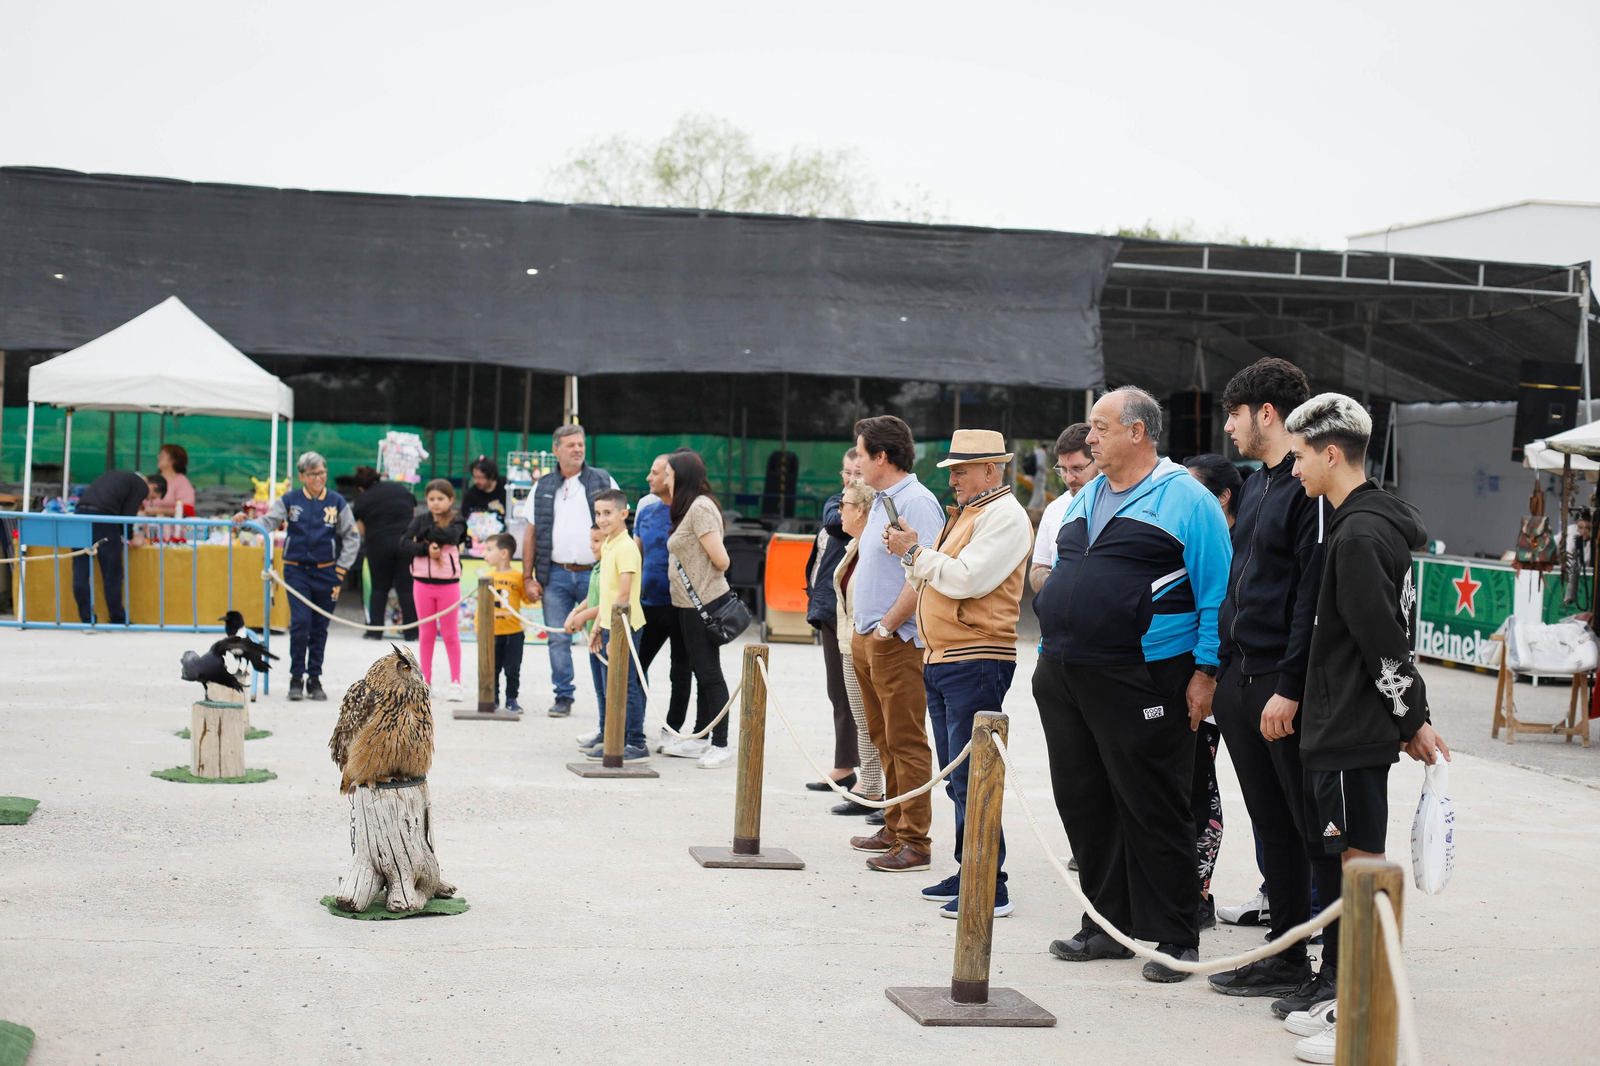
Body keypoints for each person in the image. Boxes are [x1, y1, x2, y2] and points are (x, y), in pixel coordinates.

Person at [1271, 393, 1450, 1059]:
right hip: (1344, 723)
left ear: (1331, 453)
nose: (1293, 471)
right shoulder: (1361, 525)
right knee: (1350, 867)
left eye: (1299, 458)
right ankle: (1344, 999)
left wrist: (1414, 717)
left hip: (1351, 726)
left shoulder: (1360, 536)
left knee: (1360, 869)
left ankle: (1360, 1013)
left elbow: (1383, 643)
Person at [1031, 386, 1231, 982]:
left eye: (1099, 428)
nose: (1088, 438)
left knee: (1153, 802)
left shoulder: (1187, 500)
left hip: (1143, 675)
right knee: (1083, 801)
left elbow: (1217, 594)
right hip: (1065, 672)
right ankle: (1106, 927)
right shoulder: (1086, 495)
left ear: (1137, 433)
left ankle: (1175, 935)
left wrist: (1206, 673)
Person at [1192, 358, 1336, 1008]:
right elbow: (1237, 579)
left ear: (1266, 414)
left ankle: (1330, 968)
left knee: (1315, 830)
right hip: (1242, 678)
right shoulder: (1253, 486)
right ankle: (1283, 955)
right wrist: (1220, 667)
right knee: (1270, 825)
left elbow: (1313, 594)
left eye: (1234, 413)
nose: (1228, 426)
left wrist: (1291, 684)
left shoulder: (1310, 489)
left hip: (1283, 684)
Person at [884, 429, 1033, 917]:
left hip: (975, 656)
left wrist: (912, 552)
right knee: (959, 777)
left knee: (972, 775)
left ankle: (990, 883)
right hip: (950, 657)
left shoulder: (1004, 516)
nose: (954, 480)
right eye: (953, 471)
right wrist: (914, 555)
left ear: (993, 470)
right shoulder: (975, 513)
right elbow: (936, 575)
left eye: (962, 470)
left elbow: (967, 579)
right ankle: (972, 868)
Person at [847, 415, 944, 873]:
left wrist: (887, 627)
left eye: (862, 455)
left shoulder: (918, 502)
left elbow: (925, 575)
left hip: (896, 640)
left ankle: (915, 841)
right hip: (871, 638)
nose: (857, 464)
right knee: (883, 736)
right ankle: (894, 822)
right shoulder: (885, 498)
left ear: (882, 456)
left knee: (905, 740)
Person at [234, 452, 359, 701]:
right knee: (301, 624)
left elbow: (352, 536)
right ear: (302, 476)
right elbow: (269, 521)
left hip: (327, 571)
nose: (318, 478)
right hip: (297, 570)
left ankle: (314, 678)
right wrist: (246, 523)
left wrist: (341, 568)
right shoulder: (290, 499)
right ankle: (296, 677)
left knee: (320, 627)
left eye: (322, 472)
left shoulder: (336, 502)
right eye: (313, 474)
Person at [1182, 452, 1245, 928]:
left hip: (1221, 678)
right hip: (1185, 674)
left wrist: (1208, 673)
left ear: (1222, 497)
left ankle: (1198, 890)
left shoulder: (1235, 542)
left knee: (1201, 785)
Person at [518, 424, 618, 717]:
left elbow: (620, 527)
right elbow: (531, 533)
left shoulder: (603, 479)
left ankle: (609, 698)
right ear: (556, 450)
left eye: (581, 444)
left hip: (596, 573)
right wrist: (527, 577)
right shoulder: (543, 485)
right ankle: (563, 696)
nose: (577, 449)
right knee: (559, 637)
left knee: (604, 635)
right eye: (571, 445)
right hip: (556, 574)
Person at [661, 449, 736, 769]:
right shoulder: (689, 508)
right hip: (687, 605)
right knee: (699, 672)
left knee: (709, 674)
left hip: (703, 603)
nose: (664, 479)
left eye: (668, 474)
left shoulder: (701, 508)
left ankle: (720, 743)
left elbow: (722, 560)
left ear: (682, 476)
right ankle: (702, 736)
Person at [804, 446, 864, 795]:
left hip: (850, 611)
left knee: (854, 694)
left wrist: (852, 501)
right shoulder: (835, 502)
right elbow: (833, 521)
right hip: (828, 608)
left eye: (859, 472)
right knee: (838, 691)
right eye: (847, 473)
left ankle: (859, 772)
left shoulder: (862, 508)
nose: (852, 479)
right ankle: (845, 766)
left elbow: (837, 524)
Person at [574, 490, 649, 762]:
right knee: (607, 686)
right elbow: (605, 593)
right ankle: (611, 735)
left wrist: (613, 630)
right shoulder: (607, 544)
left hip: (625, 626)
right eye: (598, 513)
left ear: (623, 514)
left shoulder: (627, 547)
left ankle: (636, 742)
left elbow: (623, 595)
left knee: (626, 685)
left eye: (607, 513)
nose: (602, 519)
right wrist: (597, 627)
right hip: (608, 624)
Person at [831, 478, 886, 820]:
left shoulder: (871, 546)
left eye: (845, 505)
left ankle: (887, 794)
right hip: (850, 644)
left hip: (870, 644)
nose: (839, 511)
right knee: (863, 721)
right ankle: (869, 787)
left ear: (862, 511)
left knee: (879, 722)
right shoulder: (854, 545)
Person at [634, 453, 692, 750]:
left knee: (680, 671)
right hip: (648, 603)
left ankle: (673, 729)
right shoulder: (645, 512)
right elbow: (636, 556)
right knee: (635, 664)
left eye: (656, 473)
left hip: (681, 606)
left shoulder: (690, 513)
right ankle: (632, 728)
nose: (650, 478)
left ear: (672, 477)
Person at [401, 478, 467, 700]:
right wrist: (424, 548)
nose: (436, 503)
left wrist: (425, 534)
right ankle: (424, 680)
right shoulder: (418, 519)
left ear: (451, 499)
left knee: (450, 634)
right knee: (426, 633)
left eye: (440, 499)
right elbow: (404, 543)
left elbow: (451, 536)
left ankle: (455, 681)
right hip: (421, 583)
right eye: (431, 499)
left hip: (448, 585)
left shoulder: (457, 520)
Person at [350, 466, 420, 642]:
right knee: (406, 588)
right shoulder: (400, 489)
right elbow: (414, 514)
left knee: (379, 588)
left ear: (360, 487)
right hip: (405, 542)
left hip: (378, 544)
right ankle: (411, 632)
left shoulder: (362, 499)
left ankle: (375, 631)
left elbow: (361, 528)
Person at [70, 468, 147, 626]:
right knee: (112, 573)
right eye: (150, 498)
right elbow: (127, 516)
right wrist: (132, 536)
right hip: (103, 519)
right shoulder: (141, 485)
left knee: (80, 570)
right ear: (153, 486)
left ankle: (86, 618)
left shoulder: (115, 475)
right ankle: (118, 618)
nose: (145, 501)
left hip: (79, 515)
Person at [1030, 424, 1097, 592]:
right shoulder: (1054, 509)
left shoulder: (1119, 505)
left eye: (1077, 468)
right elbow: (1037, 569)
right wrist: (1058, 580)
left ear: (1098, 461)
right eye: (1063, 469)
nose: (1069, 478)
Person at [483, 532, 527, 713]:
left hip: (514, 631)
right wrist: (480, 628)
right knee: (492, 668)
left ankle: (512, 699)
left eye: (489, 549)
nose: (485, 554)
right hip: (493, 632)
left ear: (504, 553)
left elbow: (527, 598)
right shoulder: (487, 577)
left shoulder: (518, 576)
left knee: (512, 668)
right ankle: (492, 699)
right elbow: (482, 607)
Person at [139, 444, 195, 518]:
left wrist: (159, 511)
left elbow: (187, 508)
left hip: (171, 528)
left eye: (162, 455)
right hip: (147, 527)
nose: (158, 457)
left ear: (173, 460)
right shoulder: (152, 479)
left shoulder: (181, 482)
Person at [461, 457, 507, 525]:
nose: (476, 481)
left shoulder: (506, 487)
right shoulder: (471, 494)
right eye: (474, 477)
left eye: (480, 477)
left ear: (491, 476)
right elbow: (464, 517)